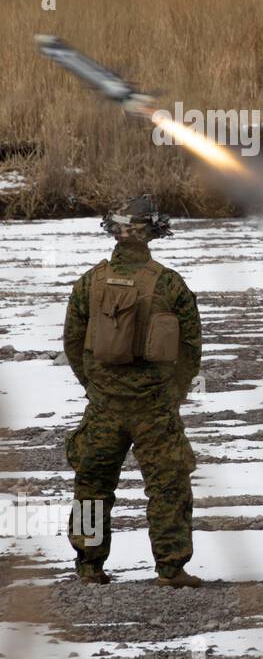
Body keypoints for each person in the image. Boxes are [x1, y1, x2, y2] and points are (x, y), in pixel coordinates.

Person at [62, 196, 203, 586]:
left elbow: (73, 342)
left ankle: (89, 565)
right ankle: (171, 568)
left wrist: (95, 386)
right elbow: (190, 349)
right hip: (154, 407)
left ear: (114, 232)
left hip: (104, 405)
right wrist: (172, 394)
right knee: (168, 485)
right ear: (153, 232)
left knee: (92, 484)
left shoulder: (90, 282)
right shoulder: (170, 283)